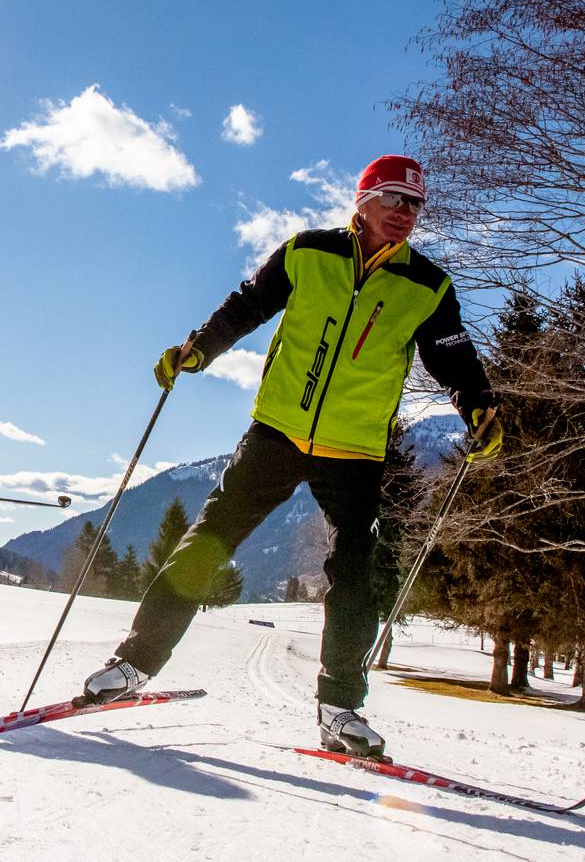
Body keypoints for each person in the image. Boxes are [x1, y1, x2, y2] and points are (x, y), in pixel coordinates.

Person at [74, 154, 502, 758]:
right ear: (363, 201)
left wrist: (478, 405)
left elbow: (452, 356)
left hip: (354, 450)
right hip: (277, 430)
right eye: (394, 200)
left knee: (355, 574)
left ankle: (340, 709)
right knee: (208, 544)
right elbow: (247, 305)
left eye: (415, 204)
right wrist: (199, 349)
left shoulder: (428, 286)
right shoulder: (306, 252)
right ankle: (134, 666)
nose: (406, 213)